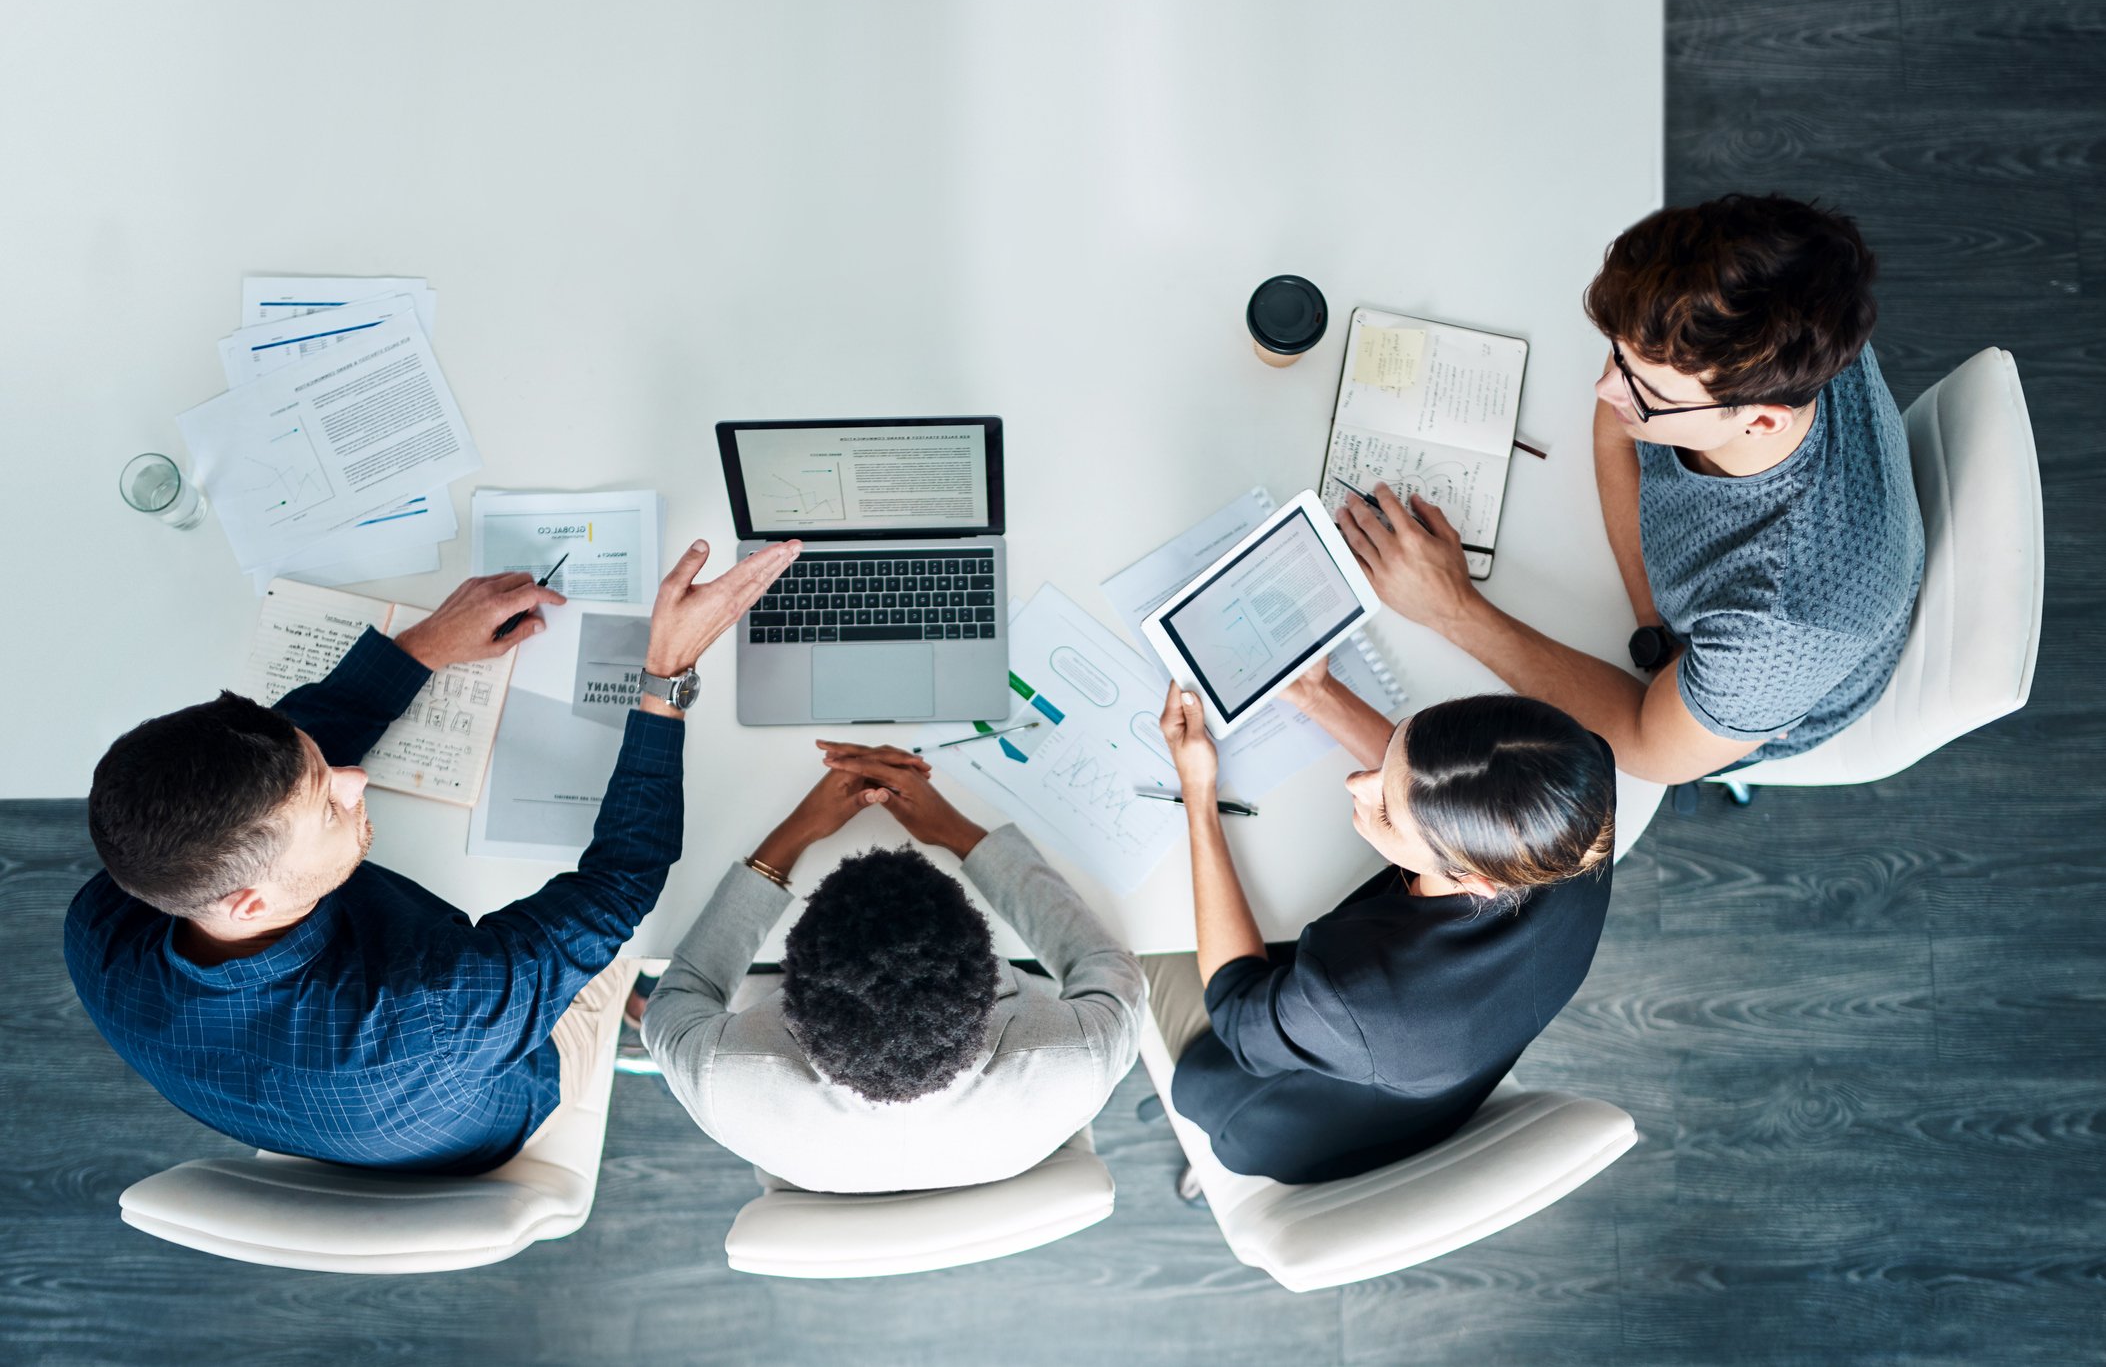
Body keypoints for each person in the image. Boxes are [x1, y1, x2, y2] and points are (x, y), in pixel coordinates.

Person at [65, 538, 798, 1174]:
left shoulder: (111, 911)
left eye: (325, 766)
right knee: (626, 957)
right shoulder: (437, 1012)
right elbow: (622, 882)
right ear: (248, 902)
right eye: (329, 808)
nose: (356, 782)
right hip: (494, 1100)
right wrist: (666, 673)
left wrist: (425, 644)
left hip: (334, 1112)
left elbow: (278, 763)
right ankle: (624, 1024)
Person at [1337, 193, 1922, 784]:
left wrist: (1452, 609)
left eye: (1646, 392)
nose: (1604, 387)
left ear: (1762, 420)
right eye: (1617, 352)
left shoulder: (1778, 627)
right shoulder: (1758, 311)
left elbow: (1646, 748)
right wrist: (1656, 627)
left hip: (1734, 722)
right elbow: (1617, 425)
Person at [1143, 661, 1615, 1186]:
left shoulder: (1354, 994)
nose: (1358, 784)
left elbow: (1234, 1004)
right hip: (1448, 1060)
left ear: (1474, 879)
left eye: (1386, 811)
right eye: (1391, 756)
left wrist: (1197, 791)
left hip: (1287, 1113)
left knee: (1141, 942)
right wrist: (1319, 695)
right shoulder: (1576, 784)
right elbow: (1443, 787)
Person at [640, 741, 1144, 1194]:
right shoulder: (1078, 1057)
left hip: (818, 1164)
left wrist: (792, 836)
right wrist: (958, 833)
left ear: (794, 988)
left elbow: (682, 995)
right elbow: (1104, 963)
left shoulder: (722, 1077)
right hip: (998, 1150)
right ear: (990, 975)